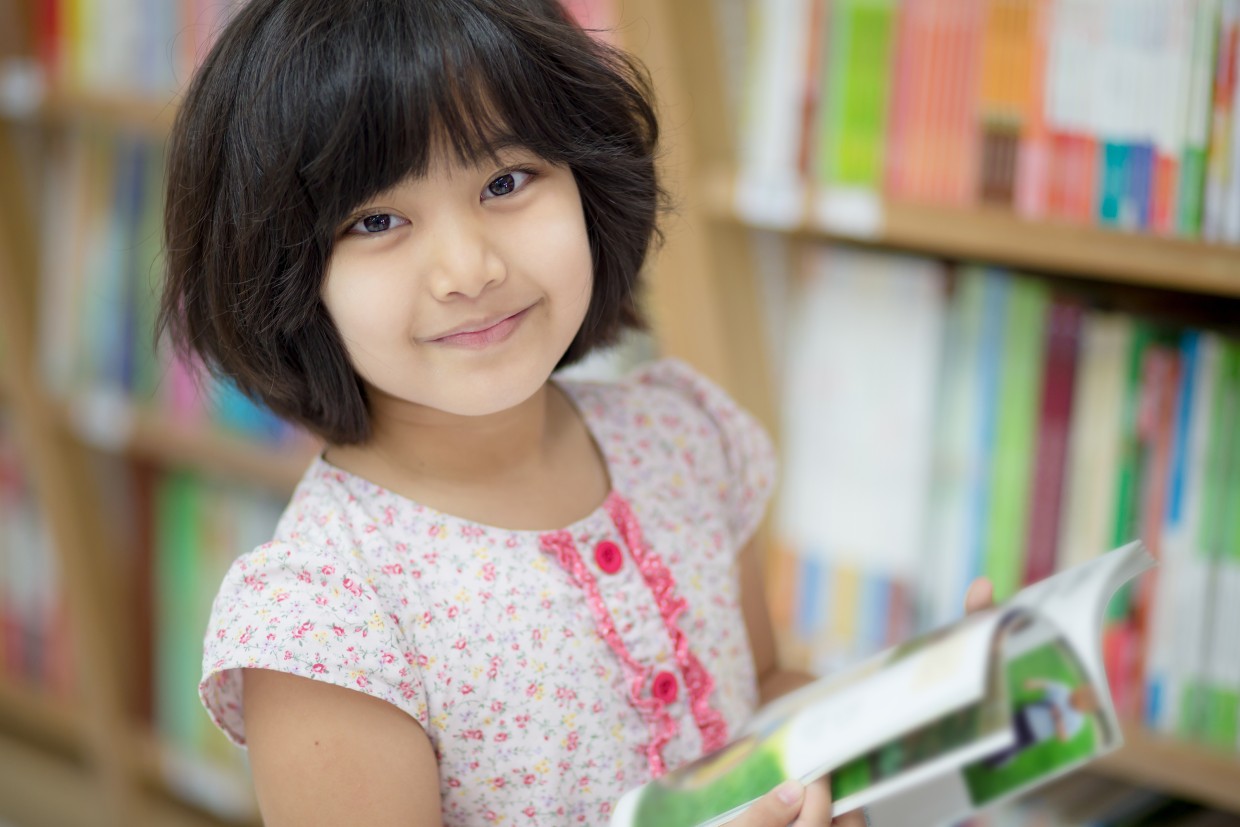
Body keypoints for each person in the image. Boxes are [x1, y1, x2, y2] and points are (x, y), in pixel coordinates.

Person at [160, 1, 992, 824]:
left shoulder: (677, 435)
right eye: (379, 220)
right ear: (284, 272)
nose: (468, 268)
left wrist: (916, 710)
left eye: (506, 181)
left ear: (590, 181)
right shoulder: (326, 615)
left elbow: (759, 701)